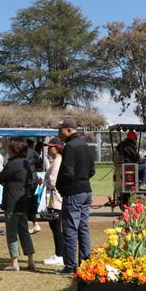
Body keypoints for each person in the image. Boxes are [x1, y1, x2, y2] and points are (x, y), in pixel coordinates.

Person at [56, 118, 95, 275]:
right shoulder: (85, 146)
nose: (59, 133)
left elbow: (68, 172)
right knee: (83, 227)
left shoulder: (70, 147)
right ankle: (85, 262)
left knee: (70, 228)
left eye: (61, 130)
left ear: (69, 130)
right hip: (86, 190)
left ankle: (71, 266)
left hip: (73, 192)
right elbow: (92, 170)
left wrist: (63, 187)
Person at [0, 137, 36, 271]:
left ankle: (15, 263)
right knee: (24, 232)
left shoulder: (12, 164)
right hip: (22, 203)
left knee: (12, 233)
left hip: (11, 203)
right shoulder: (26, 163)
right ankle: (31, 262)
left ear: (14, 149)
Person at [42, 137, 64, 266]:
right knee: (55, 226)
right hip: (55, 198)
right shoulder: (56, 160)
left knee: (56, 226)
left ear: (57, 148)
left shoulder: (58, 160)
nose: (49, 149)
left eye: (50, 146)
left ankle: (60, 255)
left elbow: (53, 181)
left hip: (56, 199)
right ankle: (59, 253)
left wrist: (46, 182)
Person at [25, 139, 42, 234]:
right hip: (34, 179)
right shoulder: (33, 152)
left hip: (27, 181)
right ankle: (35, 223)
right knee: (32, 202)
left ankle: (32, 224)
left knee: (25, 202)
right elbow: (39, 160)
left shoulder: (22, 152)